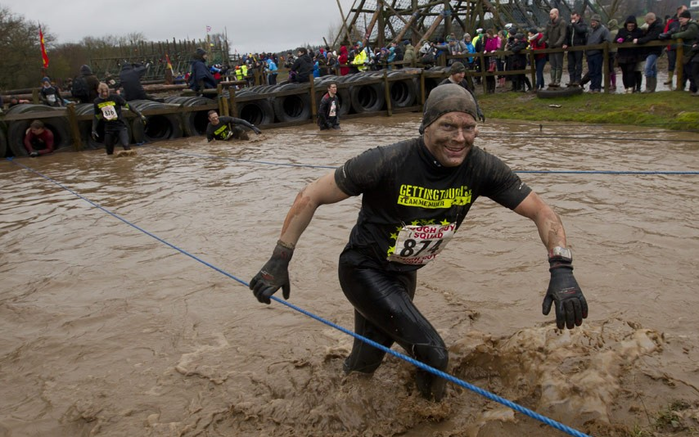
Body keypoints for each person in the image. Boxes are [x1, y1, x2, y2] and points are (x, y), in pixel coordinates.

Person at [249, 84, 588, 402]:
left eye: (468, 128)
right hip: (363, 269)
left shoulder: (481, 167)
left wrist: (561, 268)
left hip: (402, 275)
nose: (459, 138)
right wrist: (280, 258)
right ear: (425, 126)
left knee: (366, 362)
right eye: (448, 127)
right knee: (434, 354)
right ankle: (432, 420)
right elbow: (311, 194)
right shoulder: (386, 161)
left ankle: (343, 404)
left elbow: (543, 212)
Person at [92, 82, 146, 155]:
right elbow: (96, 116)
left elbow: (128, 105)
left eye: (106, 92)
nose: (105, 94)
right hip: (109, 128)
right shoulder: (97, 102)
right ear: (98, 91)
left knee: (125, 145)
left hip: (120, 126)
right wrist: (93, 129)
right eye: (102, 92)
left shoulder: (115, 97)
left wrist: (139, 114)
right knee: (109, 151)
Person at [664, 10, 699, 94]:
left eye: (682, 19)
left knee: (692, 72)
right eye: (679, 19)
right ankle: (685, 88)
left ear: (687, 18)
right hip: (686, 52)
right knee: (685, 72)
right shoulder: (683, 26)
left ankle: (693, 89)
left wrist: (674, 36)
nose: (680, 20)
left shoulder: (693, 26)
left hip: (692, 52)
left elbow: (687, 34)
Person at [633, 12, 664, 92]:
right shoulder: (654, 26)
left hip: (654, 50)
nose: (647, 23)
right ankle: (652, 88)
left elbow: (651, 37)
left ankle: (649, 87)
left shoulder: (658, 27)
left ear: (652, 19)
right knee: (653, 68)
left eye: (647, 22)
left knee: (648, 68)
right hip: (652, 50)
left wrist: (639, 41)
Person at [616, 16, 644, 93]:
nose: (630, 27)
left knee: (630, 71)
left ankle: (631, 87)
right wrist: (619, 40)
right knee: (624, 72)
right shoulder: (621, 31)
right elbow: (615, 40)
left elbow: (642, 39)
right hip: (622, 54)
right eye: (629, 26)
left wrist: (637, 40)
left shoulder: (638, 31)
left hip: (633, 54)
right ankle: (626, 87)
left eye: (632, 26)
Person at [662, 6, 689, 87]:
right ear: (678, 11)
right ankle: (670, 78)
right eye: (683, 11)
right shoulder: (671, 21)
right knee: (671, 62)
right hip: (672, 46)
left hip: (683, 46)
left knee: (683, 63)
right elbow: (665, 32)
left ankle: (681, 81)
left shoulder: (687, 22)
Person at [586, 15, 612, 93]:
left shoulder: (604, 30)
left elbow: (607, 40)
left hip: (597, 53)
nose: (592, 23)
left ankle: (597, 87)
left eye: (594, 21)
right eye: (591, 21)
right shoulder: (590, 31)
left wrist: (600, 47)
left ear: (598, 22)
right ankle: (592, 86)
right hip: (589, 53)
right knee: (591, 72)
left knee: (597, 71)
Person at [563, 11, 588, 86]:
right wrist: (565, 43)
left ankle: (577, 80)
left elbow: (581, 31)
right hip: (571, 47)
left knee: (578, 64)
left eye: (574, 18)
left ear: (578, 17)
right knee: (570, 65)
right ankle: (571, 79)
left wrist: (574, 24)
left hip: (578, 46)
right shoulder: (569, 26)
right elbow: (567, 36)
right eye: (571, 18)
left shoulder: (583, 24)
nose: (572, 19)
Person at [544, 8, 567, 87]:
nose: (550, 16)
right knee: (552, 65)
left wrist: (557, 44)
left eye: (552, 14)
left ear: (556, 14)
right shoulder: (549, 24)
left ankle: (558, 81)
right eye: (550, 14)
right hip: (551, 47)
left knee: (558, 65)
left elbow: (562, 35)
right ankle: (552, 80)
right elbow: (545, 35)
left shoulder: (562, 22)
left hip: (558, 47)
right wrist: (540, 41)